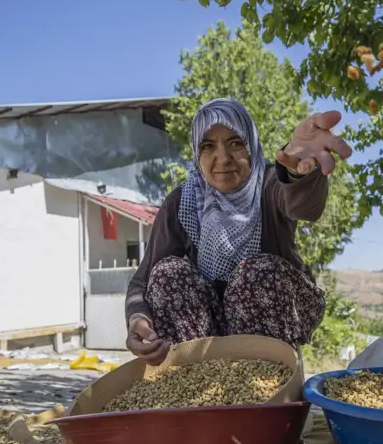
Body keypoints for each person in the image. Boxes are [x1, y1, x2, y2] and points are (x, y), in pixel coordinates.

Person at [124, 98, 352, 365]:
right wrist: (138, 319)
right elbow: (143, 281)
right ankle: (196, 379)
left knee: (256, 273)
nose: (223, 158)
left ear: (251, 147)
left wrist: (299, 171)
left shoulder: (269, 183)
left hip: (271, 323)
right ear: (197, 155)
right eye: (208, 146)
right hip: (204, 329)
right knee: (167, 274)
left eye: (235, 143)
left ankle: (268, 377)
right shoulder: (183, 202)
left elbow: (303, 206)